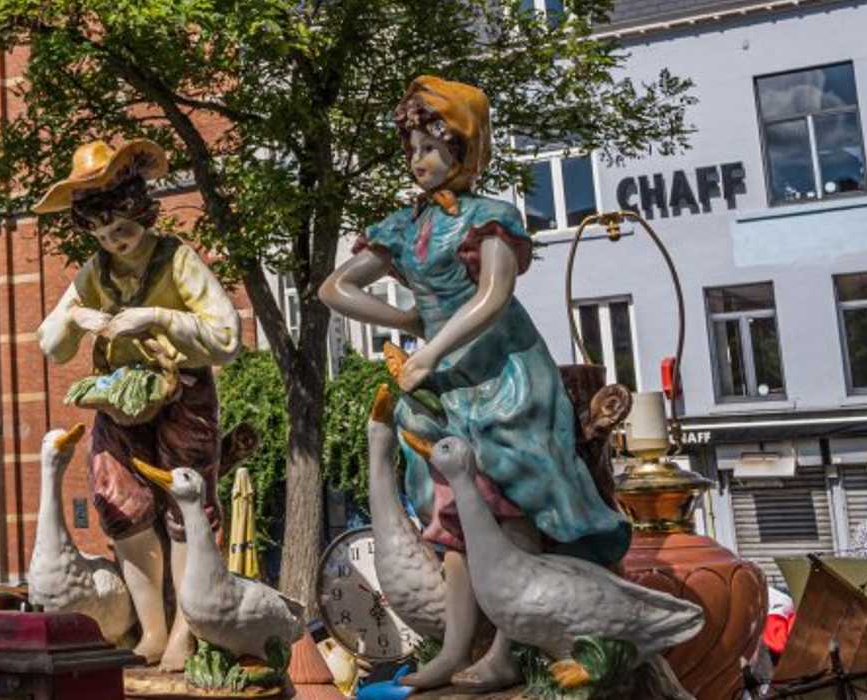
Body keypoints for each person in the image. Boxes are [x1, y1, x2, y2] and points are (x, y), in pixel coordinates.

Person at [318, 76, 631, 690]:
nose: (418, 161)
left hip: (501, 376)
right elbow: (335, 288)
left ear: (464, 151)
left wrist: (430, 347)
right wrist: (407, 321)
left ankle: (509, 649)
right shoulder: (403, 227)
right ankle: (455, 649)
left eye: (431, 148)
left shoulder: (491, 218)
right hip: (443, 385)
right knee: (455, 522)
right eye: (412, 150)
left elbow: (493, 296)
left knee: (511, 510)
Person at [33, 138, 241, 667]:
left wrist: (156, 317)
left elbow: (226, 336)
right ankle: (152, 629)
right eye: (103, 235)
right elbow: (52, 346)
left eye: (121, 230)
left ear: (140, 213)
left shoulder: (176, 259)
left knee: (186, 506)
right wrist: (74, 318)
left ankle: (187, 630)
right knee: (119, 503)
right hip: (118, 399)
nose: (115, 242)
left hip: (181, 392)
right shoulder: (95, 271)